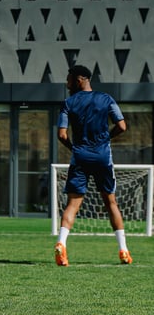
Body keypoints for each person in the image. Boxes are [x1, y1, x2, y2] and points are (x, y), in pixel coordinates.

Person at [54, 64, 132, 266]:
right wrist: (106, 138)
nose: (67, 84)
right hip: (102, 156)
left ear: (80, 79)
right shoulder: (106, 99)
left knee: (73, 204)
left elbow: (62, 135)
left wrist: (74, 148)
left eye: (69, 79)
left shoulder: (68, 103)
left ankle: (61, 243)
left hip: (80, 157)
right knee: (111, 203)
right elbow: (122, 126)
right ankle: (123, 250)